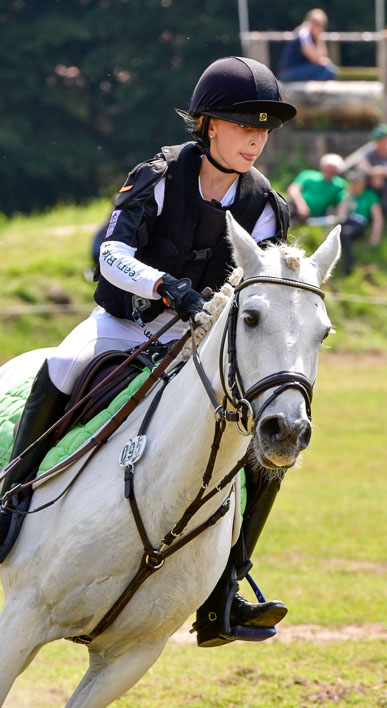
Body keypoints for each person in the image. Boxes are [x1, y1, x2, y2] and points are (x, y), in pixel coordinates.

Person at [0, 56, 297, 648]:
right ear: (210, 125)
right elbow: (112, 255)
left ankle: (225, 590)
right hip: (125, 322)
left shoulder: (266, 204)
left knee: (260, 441)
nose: (257, 139)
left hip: (198, 340)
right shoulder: (159, 176)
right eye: (245, 125)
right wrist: (162, 285)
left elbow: (262, 282)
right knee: (63, 366)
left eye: (264, 128)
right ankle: (11, 496)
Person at [338, 169, 383, 276]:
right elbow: (341, 216)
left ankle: (348, 266)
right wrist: (348, 196)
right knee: (340, 232)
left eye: (357, 182)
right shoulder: (346, 194)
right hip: (346, 222)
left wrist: (375, 236)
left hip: (358, 224)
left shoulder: (370, 195)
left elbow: (378, 218)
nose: (355, 184)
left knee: (346, 234)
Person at [278, 8, 338, 83]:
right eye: (316, 24)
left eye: (321, 25)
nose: (319, 28)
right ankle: (318, 93)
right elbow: (315, 59)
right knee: (326, 70)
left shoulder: (313, 35)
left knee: (330, 70)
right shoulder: (304, 33)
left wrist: (318, 37)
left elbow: (322, 56)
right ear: (309, 22)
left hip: (298, 70)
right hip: (288, 73)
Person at [287, 153, 347, 223]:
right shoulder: (308, 175)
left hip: (319, 216)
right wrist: (301, 206)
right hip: (295, 209)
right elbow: (293, 189)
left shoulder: (340, 184)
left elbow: (344, 200)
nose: (329, 171)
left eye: (332, 169)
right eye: (327, 168)